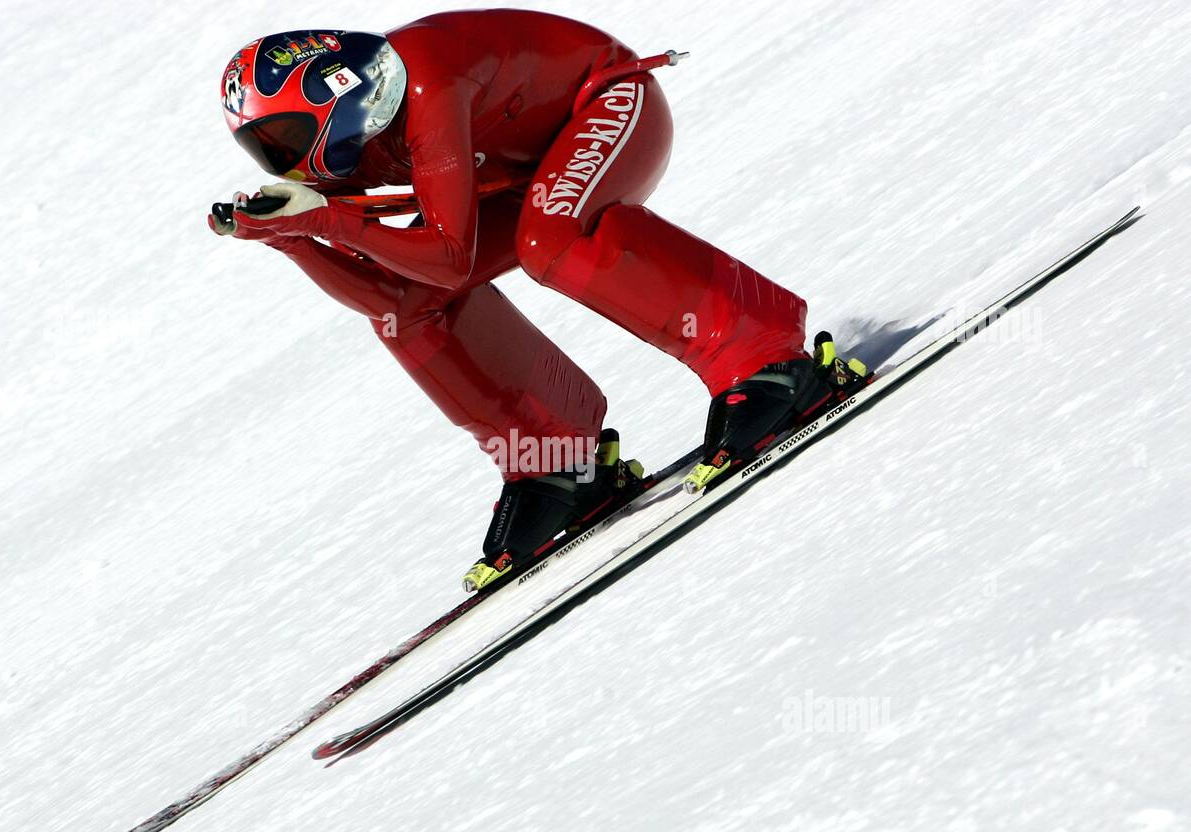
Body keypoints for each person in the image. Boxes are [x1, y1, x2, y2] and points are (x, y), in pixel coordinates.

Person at [210, 10, 865, 591]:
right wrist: (294, 239)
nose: (288, 165)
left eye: (287, 140)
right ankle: (552, 459)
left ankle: (764, 355)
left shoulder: (429, 84)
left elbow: (447, 256)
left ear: (337, 92)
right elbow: (396, 294)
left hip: (608, 100)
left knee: (548, 236)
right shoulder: (358, 137)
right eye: (267, 153)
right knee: (411, 307)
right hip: (522, 163)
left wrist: (323, 223)